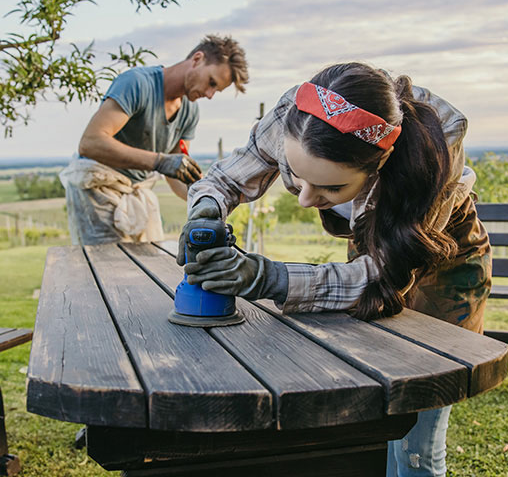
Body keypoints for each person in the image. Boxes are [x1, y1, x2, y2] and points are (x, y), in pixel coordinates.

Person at [177, 62, 491, 476]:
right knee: (372, 412)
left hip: (441, 261)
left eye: (330, 187)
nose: (306, 200)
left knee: (417, 423)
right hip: (371, 253)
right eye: (297, 175)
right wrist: (205, 210)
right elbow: (228, 179)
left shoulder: (435, 151)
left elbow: (383, 277)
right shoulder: (303, 117)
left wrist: (269, 278)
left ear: (381, 162)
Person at [60, 34, 248, 245]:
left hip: (137, 192)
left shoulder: (189, 111)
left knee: (150, 262)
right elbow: (90, 143)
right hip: (98, 190)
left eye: (216, 90)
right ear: (197, 59)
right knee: (110, 268)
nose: (210, 94)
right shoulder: (137, 84)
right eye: (211, 82)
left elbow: (177, 173)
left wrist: (205, 199)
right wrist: (159, 161)